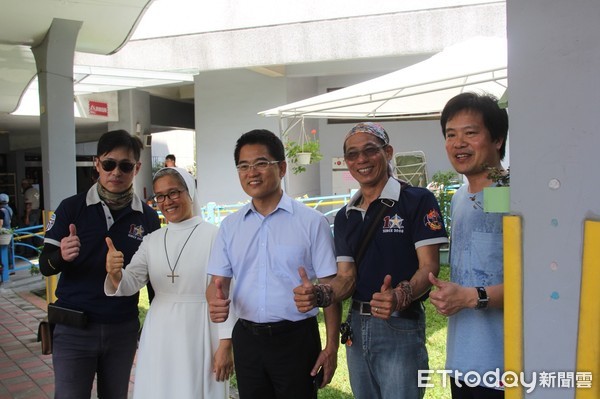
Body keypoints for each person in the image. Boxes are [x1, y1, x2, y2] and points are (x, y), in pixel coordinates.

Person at [293, 122, 449, 399]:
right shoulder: (345, 216)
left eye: (369, 150)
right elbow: (346, 278)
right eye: (352, 155)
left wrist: (402, 294)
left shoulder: (416, 200)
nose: (361, 160)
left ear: (387, 152)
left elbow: (429, 267)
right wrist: (321, 293)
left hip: (400, 323)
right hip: (355, 325)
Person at [206, 129, 340, 399]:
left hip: (296, 339)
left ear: (281, 168)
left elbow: (331, 289)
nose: (251, 172)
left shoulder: (312, 222)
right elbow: (216, 284)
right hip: (248, 339)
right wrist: (214, 300)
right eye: (243, 166)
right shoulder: (230, 227)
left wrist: (332, 347)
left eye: (260, 164)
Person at [38, 129, 161, 398]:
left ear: (137, 168)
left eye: (125, 166)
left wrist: (158, 322)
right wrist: (62, 256)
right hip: (74, 329)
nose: (116, 172)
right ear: (97, 164)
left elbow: (154, 280)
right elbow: (45, 265)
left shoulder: (148, 218)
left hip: (122, 330)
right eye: (109, 164)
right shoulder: (71, 208)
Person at [105, 167, 234, 398]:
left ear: (190, 192)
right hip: (160, 329)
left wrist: (225, 344)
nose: (167, 201)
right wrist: (115, 273)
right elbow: (130, 282)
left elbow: (227, 293)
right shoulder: (151, 240)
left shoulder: (216, 236)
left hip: (201, 328)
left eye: (174, 193)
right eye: (160, 196)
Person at [428, 92, 508, 398]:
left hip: (505, 366)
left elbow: (536, 283)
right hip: (462, 363)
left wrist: (473, 296)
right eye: (451, 134)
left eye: (470, 133)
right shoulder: (461, 198)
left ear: (497, 139)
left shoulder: (512, 193)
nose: (458, 143)